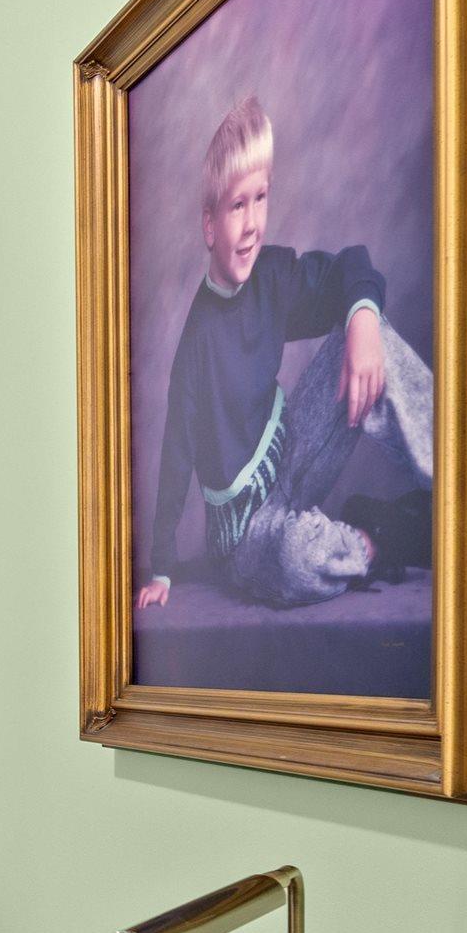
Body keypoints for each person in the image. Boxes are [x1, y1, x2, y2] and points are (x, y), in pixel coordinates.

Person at [138, 96, 433, 611]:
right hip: (248, 533)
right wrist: (161, 566)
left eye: (261, 199)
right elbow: (175, 457)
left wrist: (361, 318)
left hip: (293, 455)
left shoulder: (273, 276)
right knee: (295, 557)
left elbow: (348, 268)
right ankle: (378, 537)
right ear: (209, 225)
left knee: (365, 324)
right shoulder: (197, 343)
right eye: (236, 206)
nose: (252, 223)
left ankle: (464, 484)